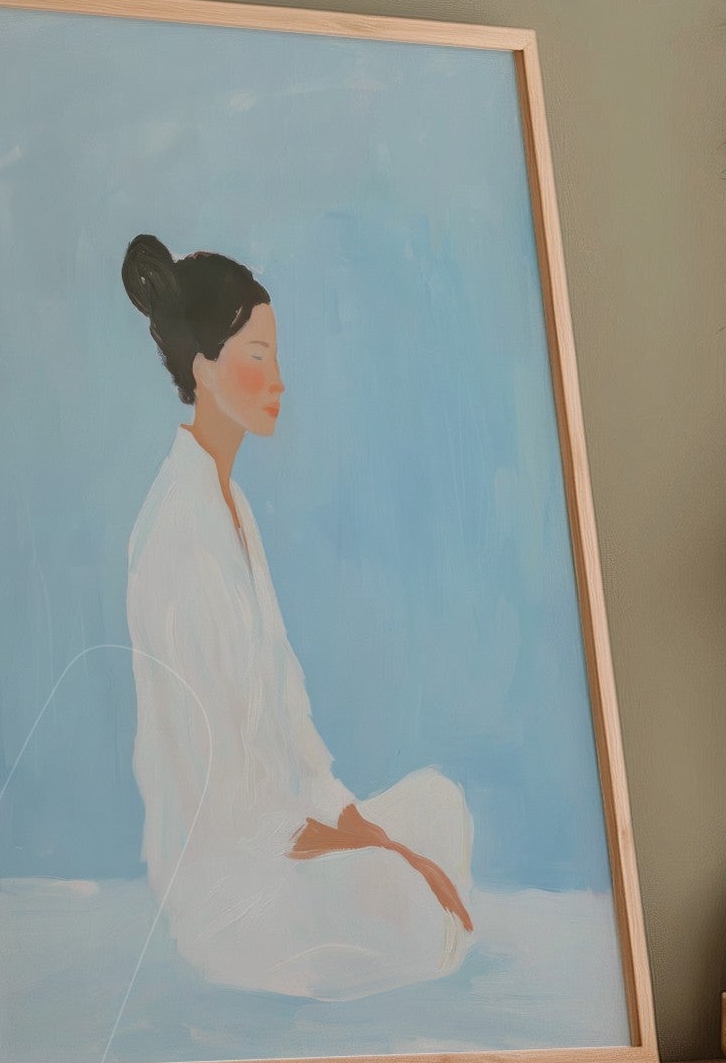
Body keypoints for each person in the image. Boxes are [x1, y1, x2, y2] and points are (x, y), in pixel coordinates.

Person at [120, 233, 473, 1000]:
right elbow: (229, 807)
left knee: (440, 809)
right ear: (205, 367)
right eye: (257, 355)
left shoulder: (234, 506)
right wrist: (381, 856)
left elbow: (292, 724)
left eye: (276, 355)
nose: (278, 380)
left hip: (283, 837)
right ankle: (388, 901)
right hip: (229, 884)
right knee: (409, 894)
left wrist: (372, 833)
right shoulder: (179, 535)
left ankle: (390, 883)